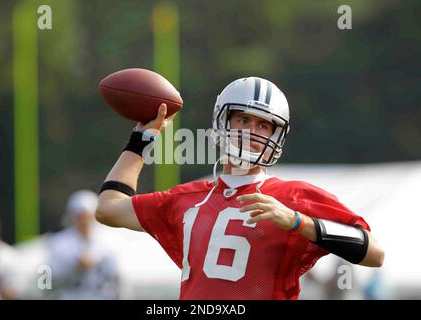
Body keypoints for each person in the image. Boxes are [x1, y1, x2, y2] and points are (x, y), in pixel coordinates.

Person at [96, 77, 385, 299]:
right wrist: (141, 141)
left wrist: (299, 221)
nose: (252, 132)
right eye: (243, 120)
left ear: (277, 135)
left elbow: (374, 253)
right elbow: (108, 208)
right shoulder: (187, 198)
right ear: (223, 123)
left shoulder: (294, 197)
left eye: (264, 126)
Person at [47, 190, 121, 299]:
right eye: (80, 216)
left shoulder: (110, 241)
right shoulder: (58, 243)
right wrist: (74, 268)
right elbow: (47, 281)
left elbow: (118, 277)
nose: (84, 221)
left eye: (87, 216)